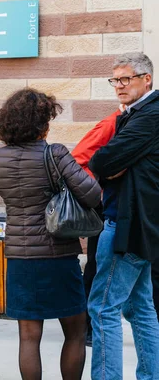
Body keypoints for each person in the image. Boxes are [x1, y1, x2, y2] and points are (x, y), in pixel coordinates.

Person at [0, 88, 101, 380]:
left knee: (28, 336)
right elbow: (92, 195)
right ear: (42, 124)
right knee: (76, 331)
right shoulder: (55, 153)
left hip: (19, 257)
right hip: (58, 255)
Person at [87, 52, 159, 379]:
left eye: (125, 79)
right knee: (140, 309)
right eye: (114, 80)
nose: (119, 86)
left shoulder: (149, 115)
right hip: (139, 225)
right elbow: (108, 162)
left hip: (126, 227)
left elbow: (101, 161)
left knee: (103, 309)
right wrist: (113, 166)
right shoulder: (135, 114)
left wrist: (111, 167)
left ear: (147, 79)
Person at [71, 106, 121, 347]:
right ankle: (87, 326)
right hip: (107, 207)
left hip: (127, 206)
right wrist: (98, 194)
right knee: (96, 264)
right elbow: (78, 160)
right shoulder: (111, 123)